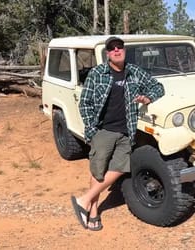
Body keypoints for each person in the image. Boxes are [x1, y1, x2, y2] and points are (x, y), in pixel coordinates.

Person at [71, 36, 165, 230]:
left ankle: (84, 201)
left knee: (121, 167)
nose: (116, 50)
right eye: (112, 48)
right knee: (98, 170)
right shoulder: (97, 73)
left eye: (119, 47)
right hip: (103, 130)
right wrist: (91, 130)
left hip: (127, 130)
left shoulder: (135, 72)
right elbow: (85, 103)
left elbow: (158, 87)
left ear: (124, 50)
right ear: (107, 53)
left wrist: (148, 98)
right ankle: (94, 212)